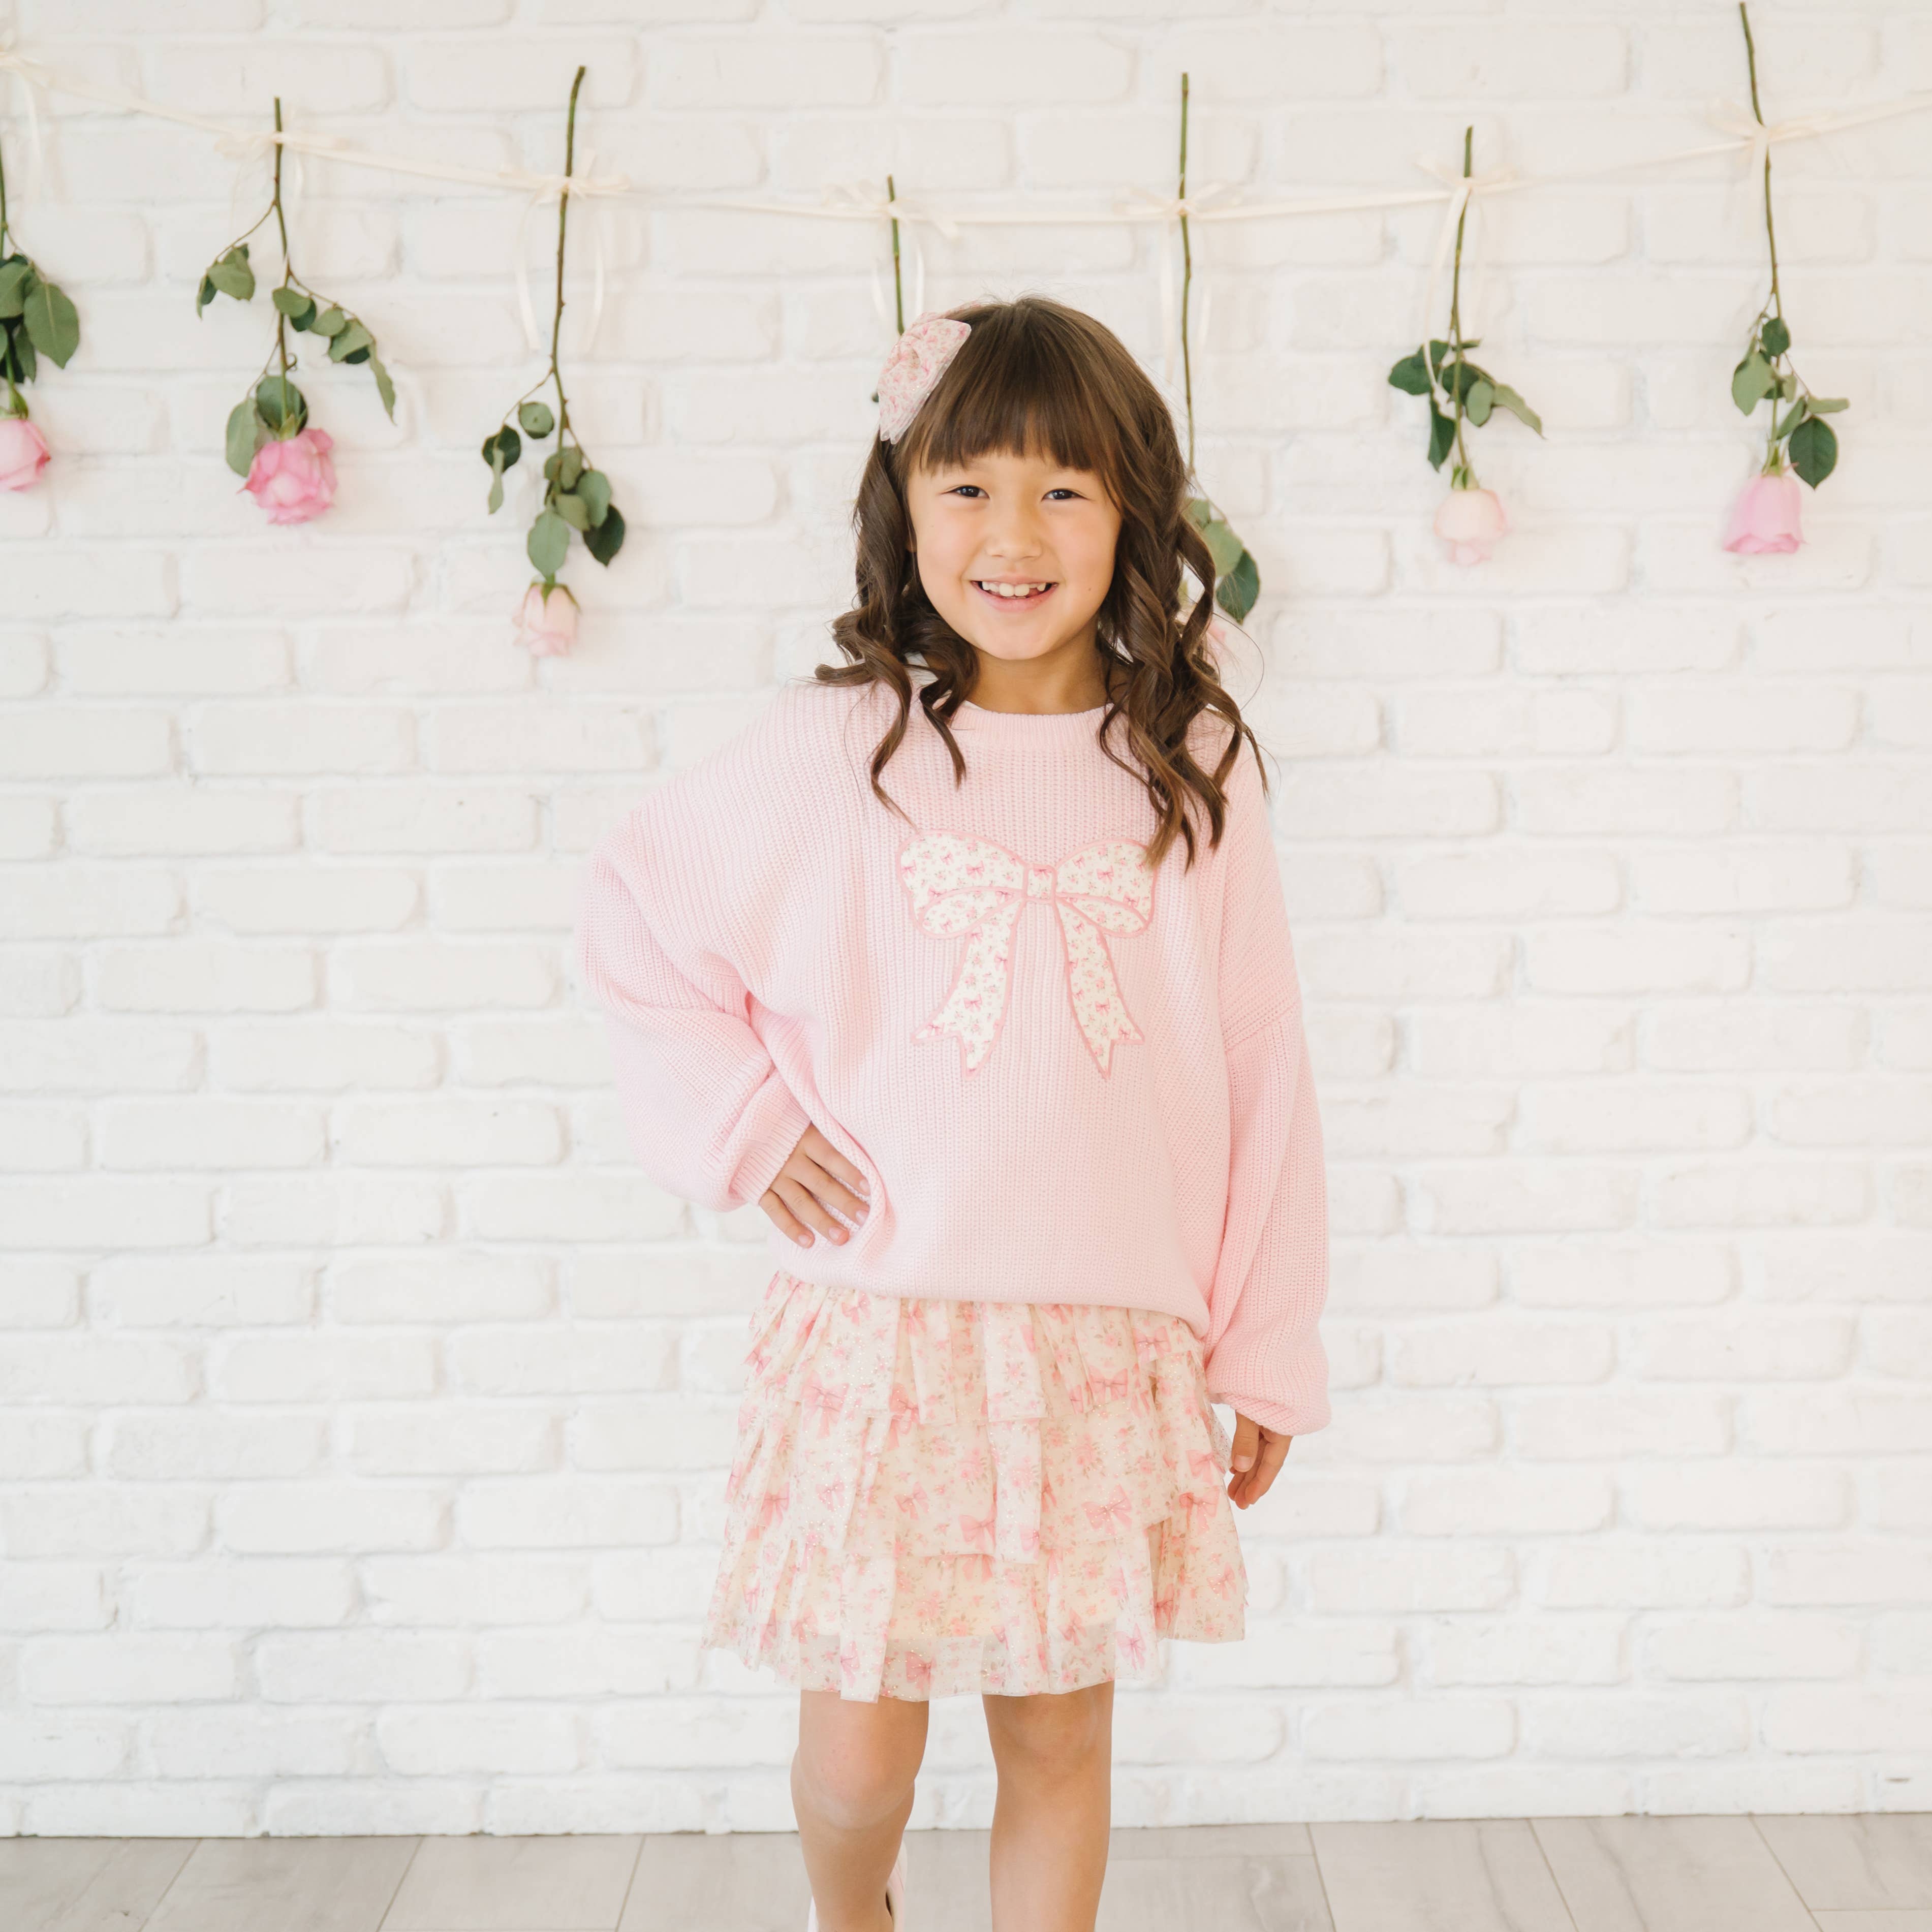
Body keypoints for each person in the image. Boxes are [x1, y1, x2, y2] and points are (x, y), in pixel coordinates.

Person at [572, 294, 1330, 1932]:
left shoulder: (1193, 760)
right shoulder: (837, 746)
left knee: (1056, 1737)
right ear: (903, 505)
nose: (1013, 533)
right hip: (883, 1339)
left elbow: (1259, 1050)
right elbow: (634, 909)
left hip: (1100, 1344)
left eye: (1062, 489)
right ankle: (855, 1918)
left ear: (1130, 511)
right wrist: (747, 1127)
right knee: (857, 1762)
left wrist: (1265, 1334)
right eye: (968, 485)